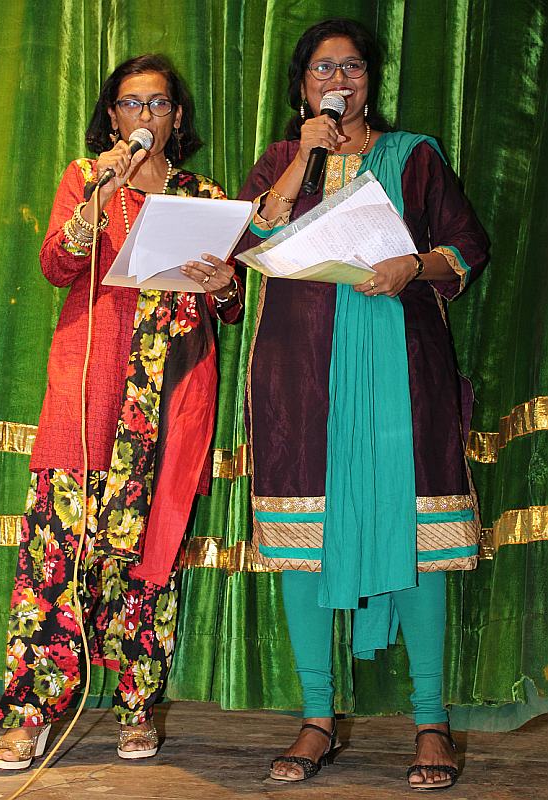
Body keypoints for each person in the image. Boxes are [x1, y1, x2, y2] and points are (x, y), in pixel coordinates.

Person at [236, 18, 487, 790]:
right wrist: (303, 156)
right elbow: (248, 235)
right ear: (301, 85)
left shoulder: (412, 155)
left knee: (416, 531)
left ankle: (430, 722)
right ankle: (316, 717)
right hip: (298, 373)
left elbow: (466, 245)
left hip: (399, 366)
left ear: (369, 81)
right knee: (301, 534)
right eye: (321, 68)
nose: (336, 79)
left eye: (350, 67)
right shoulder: (281, 159)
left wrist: (412, 264)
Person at [0, 53, 242, 770]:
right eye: (132, 104)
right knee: (55, 554)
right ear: (112, 116)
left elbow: (228, 306)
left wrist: (224, 285)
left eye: (158, 104)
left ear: (177, 117)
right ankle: (31, 714)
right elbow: (56, 266)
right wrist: (99, 196)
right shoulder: (86, 177)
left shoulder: (203, 195)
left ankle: (137, 707)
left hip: (168, 396)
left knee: (145, 563)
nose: (145, 116)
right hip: (88, 385)